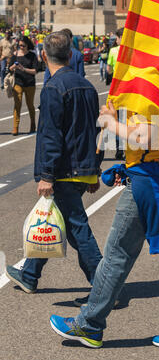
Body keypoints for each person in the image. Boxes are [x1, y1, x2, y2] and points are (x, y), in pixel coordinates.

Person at [49, 96, 159, 351]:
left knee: (118, 254)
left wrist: (111, 123)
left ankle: (89, 324)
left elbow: (144, 138)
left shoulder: (152, 85)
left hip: (149, 180)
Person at [5, 31, 103, 295]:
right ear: (71, 55)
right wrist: (94, 169)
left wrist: (46, 174)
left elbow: (51, 135)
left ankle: (104, 286)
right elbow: (96, 131)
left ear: (43, 55)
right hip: (82, 167)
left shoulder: (53, 87)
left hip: (64, 170)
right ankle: (30, 273)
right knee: (58, 220)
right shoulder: (87, 86)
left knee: (76, 228)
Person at [8, 36, 38, 136]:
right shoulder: (15, 54)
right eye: (19, 45)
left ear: (27, 45)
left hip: (30, 83)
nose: (21, 47)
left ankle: (33, 125)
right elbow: (9, 69)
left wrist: (23, 69)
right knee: (17, 105)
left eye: (23, 45)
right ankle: (15, 127)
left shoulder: (32, 55)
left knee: (30, 105)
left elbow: (35, 71)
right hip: (18, 83)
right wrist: (13, 67)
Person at [107, 28, 125, 160]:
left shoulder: (113, 51)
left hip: (117, 90)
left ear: (120, 37)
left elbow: (108, 70)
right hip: (131, 89)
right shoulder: (133, 51)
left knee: (117, 120)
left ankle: (119, 148)